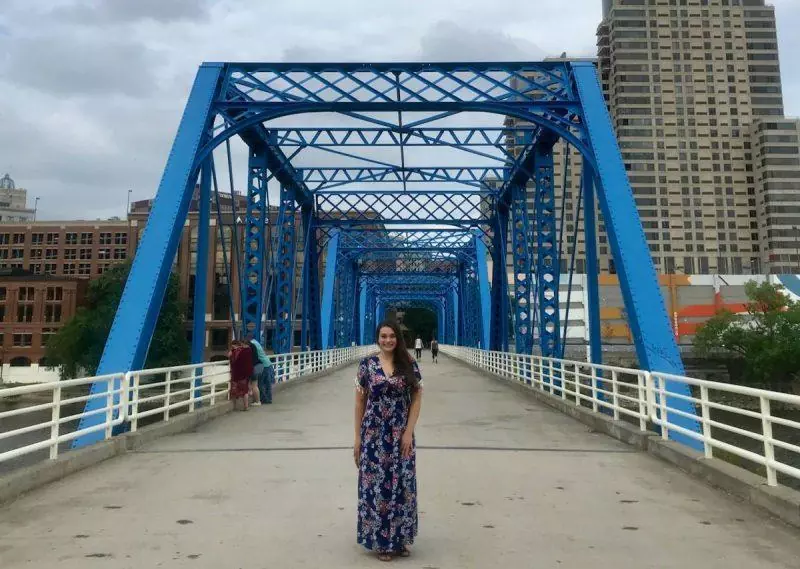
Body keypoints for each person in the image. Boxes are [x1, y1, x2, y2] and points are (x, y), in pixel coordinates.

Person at [354, 320, 423, 562]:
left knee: (403, 484)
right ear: (377, 338)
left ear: (398, 338)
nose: (387, 340)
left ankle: (400, 538)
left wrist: (408, 431)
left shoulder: (408, 363)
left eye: (392, 336)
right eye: (383, 336)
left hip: (400, 434)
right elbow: (359, 402)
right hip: (373, 436)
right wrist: (357, 439)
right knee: (376, 487)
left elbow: (417, 397)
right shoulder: (367, 365)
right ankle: (382, 541)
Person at [248, 334, 274, 404]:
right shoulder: (256, 342)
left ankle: (263, 400)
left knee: (260, 384)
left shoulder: (252, 344)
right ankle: (268, 399)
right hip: (267, 363)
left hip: (262, 365)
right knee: (267, 383)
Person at [228, 340, 253, 411]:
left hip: (237, 373)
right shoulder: (248, 350)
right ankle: (246, 406)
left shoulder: (235, 352)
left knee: (235, 390)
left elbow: (233, 360)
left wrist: (230, 354)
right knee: (245, 390)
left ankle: (235, 407)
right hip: (246, 373)